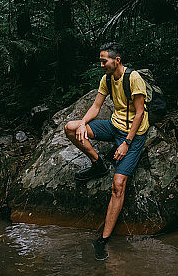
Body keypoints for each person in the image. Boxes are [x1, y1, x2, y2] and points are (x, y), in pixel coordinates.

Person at [64, 43, 149, 260]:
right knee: (71, 128)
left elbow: (139, 114)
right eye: (100, 61)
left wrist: (126, 143)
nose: (101, 64)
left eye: (104, 61)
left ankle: (103, 240)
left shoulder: (134, 78)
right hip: (114, 126)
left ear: (117, 60)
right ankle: (98, 164)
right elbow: (96, 106)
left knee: (118, 185)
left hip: (133, 134)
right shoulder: (107, 79)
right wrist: (83, 123)